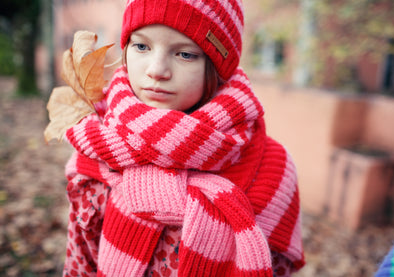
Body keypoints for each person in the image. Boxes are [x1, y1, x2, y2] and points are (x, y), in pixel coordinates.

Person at [61, 0, 305, 276]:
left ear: (218, 67)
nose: (156, 70)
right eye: (142, 46)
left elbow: (279, 269)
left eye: (185, 54)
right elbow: (79, 262)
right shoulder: (98, 148)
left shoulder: (272, 167)